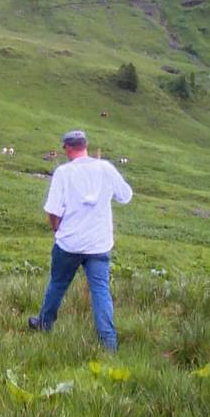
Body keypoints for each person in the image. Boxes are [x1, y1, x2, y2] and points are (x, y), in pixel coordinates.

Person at [29, 130, 133, 351]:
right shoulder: (105, 168)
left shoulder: (63, 172)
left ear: (67, 148)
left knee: (58, 283)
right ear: (86, 145)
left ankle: (45, 325)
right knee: (100, 290)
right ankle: (109, 343)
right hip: (99, 243)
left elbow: (53, 209)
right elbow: (126, 196)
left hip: (70, 242)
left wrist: (57, 228)